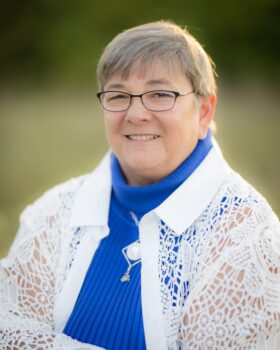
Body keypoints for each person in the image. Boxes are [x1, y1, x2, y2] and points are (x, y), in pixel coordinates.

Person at [0, 20, 279, 350]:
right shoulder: (51, 213)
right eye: (118, 95)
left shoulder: (246, 233)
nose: (135, 114)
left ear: (204, 111)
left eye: (160, 94)